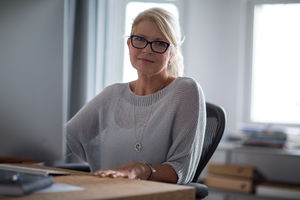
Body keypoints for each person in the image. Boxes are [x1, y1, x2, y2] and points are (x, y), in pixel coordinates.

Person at [66, 7, 206, 184]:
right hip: (106, 193)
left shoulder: (185, 91)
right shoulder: (112, 94)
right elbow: (64, 140)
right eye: (140, 39)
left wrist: (140, 169)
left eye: (159, 43)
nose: (147, 50)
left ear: (171, 54)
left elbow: (182, 170)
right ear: (129, 45)